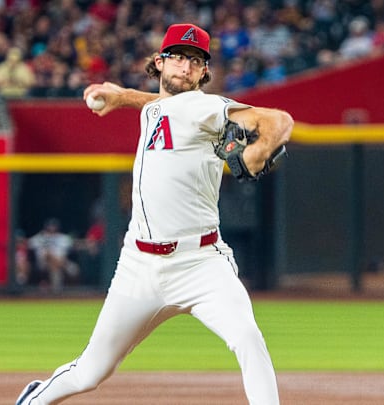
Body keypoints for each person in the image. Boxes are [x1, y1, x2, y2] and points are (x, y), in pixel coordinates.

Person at [16, 23, 293, 405]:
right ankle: (32, 399)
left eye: (195, 61)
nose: (185, 66)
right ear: (160, 63)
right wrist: (121, 95)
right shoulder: (158, 109)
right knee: (90, 371)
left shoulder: (206, 107)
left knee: (247, 337)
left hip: (201, 263)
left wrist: (257, 151)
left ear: (203, 73)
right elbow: (160, 105)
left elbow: (280, 122)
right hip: (139, 266)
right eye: (178, 57)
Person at [26, 217, 79, 293]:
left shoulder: (63, 238)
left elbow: (77, 244)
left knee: (58, 268)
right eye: (50, 226)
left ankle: (57, 292)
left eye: (54, 226)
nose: (52, 228)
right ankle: (56, 291)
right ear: (46, 227)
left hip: (60, 261)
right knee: (49, 255)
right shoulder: (40, 237)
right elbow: (26, 243)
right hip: (44, 263)